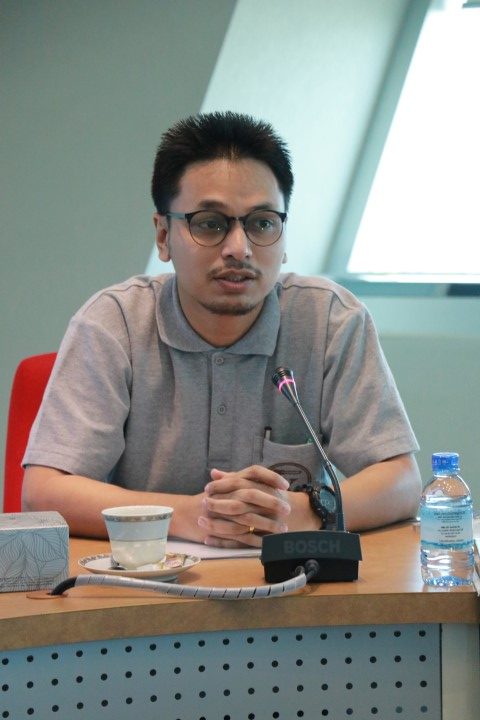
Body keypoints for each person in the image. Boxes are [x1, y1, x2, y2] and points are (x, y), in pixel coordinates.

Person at [22, 111, 421, 547]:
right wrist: (191, 516)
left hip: (294, 580)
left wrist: (298, 512)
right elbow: (43, 493)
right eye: (210, 223)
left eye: (262, 223)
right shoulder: (113, 323)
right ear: (163, 236)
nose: (239, 248)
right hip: (147, 581)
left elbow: (401, 480)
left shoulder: (331, 320)